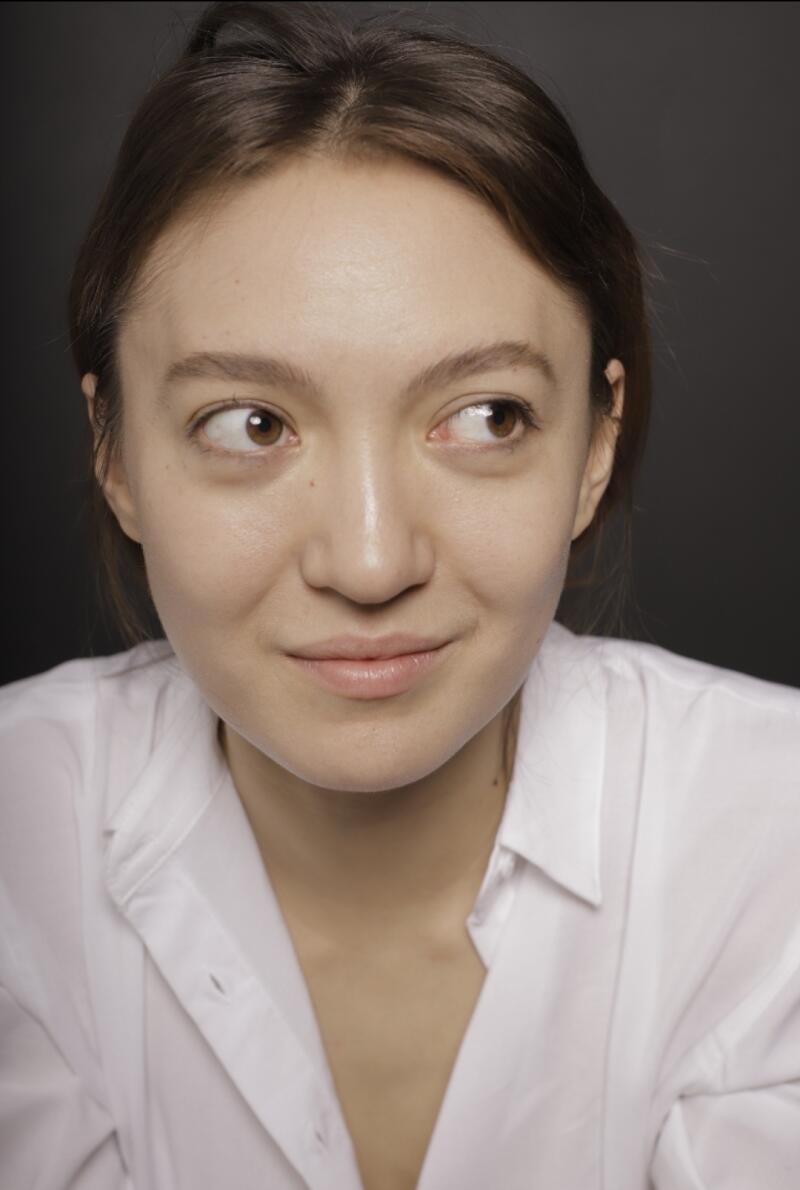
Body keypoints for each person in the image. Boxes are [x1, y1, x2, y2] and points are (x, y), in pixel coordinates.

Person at [1, 2, 798, 1188]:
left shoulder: (772, 848)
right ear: (115, 453)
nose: (370, 563)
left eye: (485, 417)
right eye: (251, 423)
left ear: (593, 443)